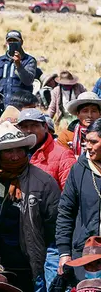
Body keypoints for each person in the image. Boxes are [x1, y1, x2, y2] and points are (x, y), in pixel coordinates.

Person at [0, 121, 59, 292]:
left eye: (19, 149)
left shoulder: (43, 182)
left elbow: (55, 230)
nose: (15, 156)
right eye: (8, 151)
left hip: (28, 266)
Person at [57, 119, 101, 278]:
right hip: (85, 253)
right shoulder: (78, 169)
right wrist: (64, 252)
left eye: (93, 142)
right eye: (86, 141)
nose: (88, 146)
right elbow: (65, 212)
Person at [16, 108, 75, 190]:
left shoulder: (63, 155)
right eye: (24, 127)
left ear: (45, 127)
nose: (29, 130)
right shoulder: (16, 154)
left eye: (34, 125)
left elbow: (69, 193)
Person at [0, 31, 39, 109]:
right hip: (1, 106)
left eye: (15, 41)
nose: (12, 43)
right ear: (6, 43)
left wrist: (19, 65)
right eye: (10, 41)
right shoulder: (0, 61)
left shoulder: (29, 60)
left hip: (21, 106)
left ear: (21, 42)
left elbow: (28, 81)